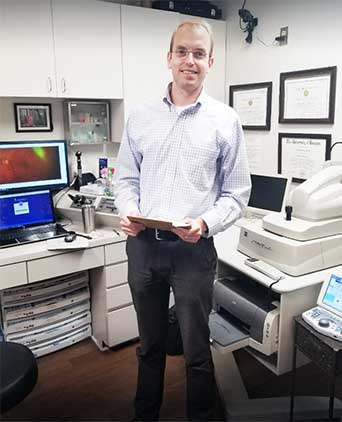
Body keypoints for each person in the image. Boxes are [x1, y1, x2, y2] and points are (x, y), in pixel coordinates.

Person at [114, 20, 251, 421]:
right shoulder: (140, 117)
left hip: (193, 253)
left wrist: (206, 223)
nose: (189, 61)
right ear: (169, 58)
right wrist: (127, 210)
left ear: (210, 61)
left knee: (196, 351)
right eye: (182, 52)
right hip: (142, 249)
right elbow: (125, 180)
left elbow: (237, 195)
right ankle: (146, 415)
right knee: (150, 346)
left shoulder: (226, 121)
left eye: (198, 54)